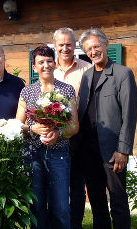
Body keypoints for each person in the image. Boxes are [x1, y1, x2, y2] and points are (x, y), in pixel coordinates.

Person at [77, 29, 137, 229]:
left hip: (112, 151)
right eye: (89, 49)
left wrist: (123, 150)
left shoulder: (122, 74)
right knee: (96, 202)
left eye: (96, 46)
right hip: (88, 149)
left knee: (118, 201)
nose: (93, 51)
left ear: (106, 45)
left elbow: (129, 115)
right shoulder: (86, 77)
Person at [16, 45, 79, 229]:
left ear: (55, 63)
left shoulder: (66, 90)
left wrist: (58, 133)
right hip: (32, 155)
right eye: (40, 62)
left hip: (58, 154)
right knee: (37, 206)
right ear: (34, 66)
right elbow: (17, 126)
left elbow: (74, 126)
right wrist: (32, 129)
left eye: (49, 61)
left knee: (60, 207)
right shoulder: (26, 92)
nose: (46, 65)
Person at [52, 27, 91, 229]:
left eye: (69, 44)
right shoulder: (49, 69)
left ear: (75, 45)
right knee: (56, 186)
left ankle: (75, 225)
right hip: (54, 137)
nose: (65, 48)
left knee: (76, 186)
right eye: (61, 45)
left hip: (79, 136)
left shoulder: (87, 69)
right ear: (55, 47)